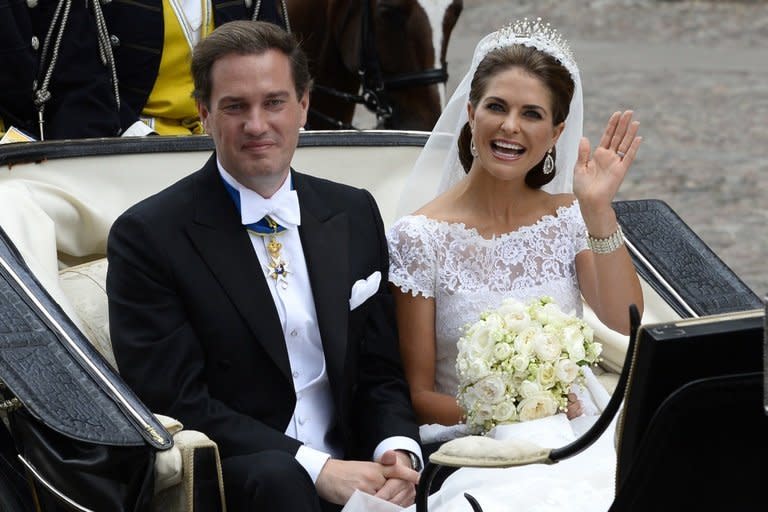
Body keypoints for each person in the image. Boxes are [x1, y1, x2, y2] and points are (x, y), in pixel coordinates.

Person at [106, 20, 422, 512]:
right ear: (204, 114)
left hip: (359, 467)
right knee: (278, 479)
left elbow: (379, 372)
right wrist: (316, 468)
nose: (256, 125)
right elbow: (177, 401)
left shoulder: (354, 212)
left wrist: (395, 451)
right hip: (245, 479)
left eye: (274, 102)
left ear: (304, 107)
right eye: (235, 107)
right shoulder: (148, 236)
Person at [380, 17, 643, 511]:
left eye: (532, 114)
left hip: (578, 428)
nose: (510, 126)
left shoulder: (568, 216)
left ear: (556, 131)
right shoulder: (420, 236)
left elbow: (622, 314)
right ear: (471, 114)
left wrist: (598, 210)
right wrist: (511, 410)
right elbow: (418, 392)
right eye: (496, 107)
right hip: (476, 445)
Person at [102, 0, 289, 136]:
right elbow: (81, 77)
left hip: (234, 134)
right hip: (129, 136)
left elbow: (279, 65)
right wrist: (136, 133)